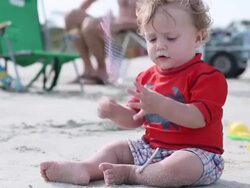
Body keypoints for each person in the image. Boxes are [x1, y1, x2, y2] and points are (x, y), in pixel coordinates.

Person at [40, 0, 228, 187]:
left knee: (182, 167)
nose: (160, 45)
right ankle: (85, 168)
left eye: (171, 38)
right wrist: (115, 112)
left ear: (198, 37)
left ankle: (132, 174)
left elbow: (197, 119)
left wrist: (160, 105)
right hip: (151, 149)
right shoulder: (147, 77)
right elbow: (134, 119)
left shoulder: (208, 77)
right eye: (152, 39)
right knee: (117, 148)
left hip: (196, 153)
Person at [64, 0, 137, 84]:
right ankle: (88, 68)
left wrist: (122, 24)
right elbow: (85, 4)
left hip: (132, 32)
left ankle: (101, 69)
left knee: (89, 24)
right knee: (71, 16)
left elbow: (150, 20)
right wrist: (79, 15)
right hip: (116, 27)